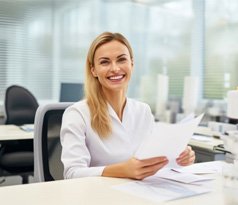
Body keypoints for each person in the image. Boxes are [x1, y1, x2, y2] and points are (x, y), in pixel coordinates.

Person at [60, 32, 195, 180]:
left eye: (121, 60)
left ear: (132, 63)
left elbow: (155, 159)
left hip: (140, 193)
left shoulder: (143, 111)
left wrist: (179, 158)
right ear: (94, 70)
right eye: (105, 62)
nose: (115, 68)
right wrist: (123, 170)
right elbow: (72, 173)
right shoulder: (77, 114)